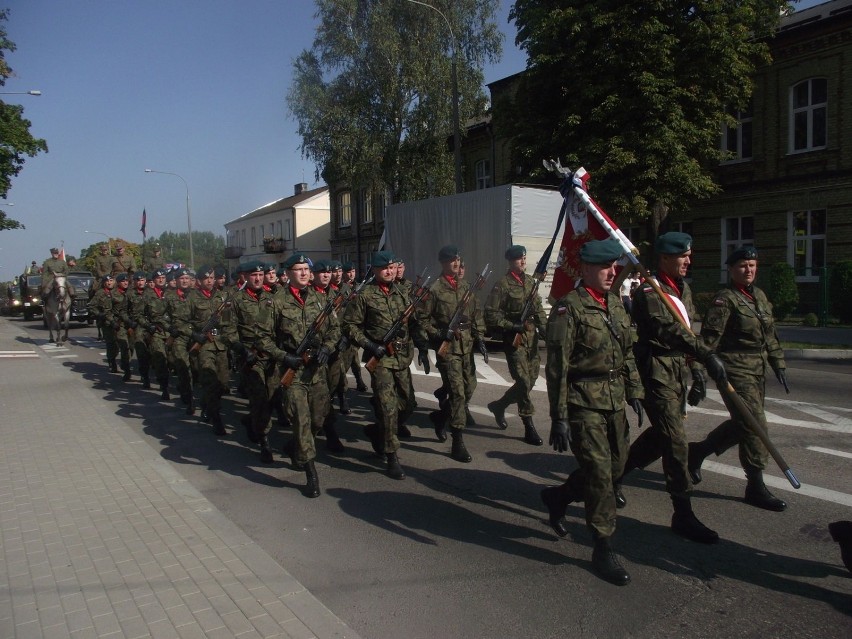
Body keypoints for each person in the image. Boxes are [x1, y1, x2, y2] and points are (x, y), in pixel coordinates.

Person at [542, 239, 643, 585]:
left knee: (615, 468)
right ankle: (603, 546)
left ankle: (558, 497)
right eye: (604, 267)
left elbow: (626, 350)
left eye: (613, 266)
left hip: (613, 400)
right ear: (585, 270)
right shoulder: (568, 309)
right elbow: (557, 367)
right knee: (600, 475)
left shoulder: (615, 305)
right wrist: (559, 417)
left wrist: (635, 392)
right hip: (584, 401)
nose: (611, 271)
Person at [616, 232, 727, 544]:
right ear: (664, 257)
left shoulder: (683, 289)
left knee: (661, 436)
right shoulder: (650, 292)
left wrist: (696, 370)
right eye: (682, 256)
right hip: (655, 372)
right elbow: (670, 331)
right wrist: (707, 355)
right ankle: (683, 511)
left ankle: (615, 476)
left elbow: (688, 331)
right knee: (676, 440)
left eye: (689, 255)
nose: (688, 261)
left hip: (677, 372)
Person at [688, 246, 789, 511]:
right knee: (755, 425)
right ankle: (755, 485)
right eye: (743, 266)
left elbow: (770, 334)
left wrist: (778, 362)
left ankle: (697, 452)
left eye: (753, 266)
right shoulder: (726, 300)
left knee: (744, 423)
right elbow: (708, 340)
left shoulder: (759, 297)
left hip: (757, 369)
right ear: (731, 269)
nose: (749, 270)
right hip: (734, 369)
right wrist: (699, 372)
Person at [343, 251, 428, 479]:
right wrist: (370, 345)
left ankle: (378, 432)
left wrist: (423, 347)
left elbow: (415, 322)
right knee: (388, 409)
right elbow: (350, 326)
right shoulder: (365, 295)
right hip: (380, 360)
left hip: (402, 358)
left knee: (408, 404)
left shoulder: (402, 292)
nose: (389, 271)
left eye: (392, 267)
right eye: (384, 268)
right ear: (375, 270)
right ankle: (391, 456)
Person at [273, 253, 341, 497]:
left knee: (317, 420)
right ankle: (311, 473)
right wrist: (283, 356)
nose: (303, 273)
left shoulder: (320, 300)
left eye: (306, 269)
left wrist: (327, 348)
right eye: (298, 269)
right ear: (288, 273)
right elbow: (263, 337)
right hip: (294, 371)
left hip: (317, 371)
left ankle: (295, 445)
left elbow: (335, 330)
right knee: (301, 421)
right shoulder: (276, 301)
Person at [420, 245, 487, 462]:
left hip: (465, 347)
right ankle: (457, 441)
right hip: (447, 348)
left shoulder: (466, 286)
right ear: (443, 263)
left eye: (457, 259)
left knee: (470, 386)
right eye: (451, 260)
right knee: (458, 393)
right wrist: (440, 332)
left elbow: (476, 313)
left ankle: (441, 416)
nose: (456, 263)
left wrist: (480, 338)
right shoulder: (435, 289)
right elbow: (422, 320)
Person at [484, 244, 547, 446]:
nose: (523, 261)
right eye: (519, 258)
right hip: (514, 341)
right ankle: (529, 425)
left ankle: (499, 405)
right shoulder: (502, 284)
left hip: (532, 340)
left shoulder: (530, 282)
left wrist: (546, 330)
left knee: (531, 380)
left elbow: (538, 310)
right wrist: (511, 325)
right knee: (523, 382)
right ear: (510, 261)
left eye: (524, 258)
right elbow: (491, 314)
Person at [225, 261, 280, 463]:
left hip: (271, 355)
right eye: (253, 275)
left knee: (274, 397)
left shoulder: (272, 299)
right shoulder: (235, 301)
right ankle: (264, 441)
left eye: (260, 274)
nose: (258, 278)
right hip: (251, 357)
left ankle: (252, 421)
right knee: (259, 399)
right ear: (245, 277)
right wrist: (241, 350)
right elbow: (227, 331)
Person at [188, 265, 233, 436]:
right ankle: (216, 420)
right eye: (206, 278)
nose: (210, 280)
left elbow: (228, 321)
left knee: (222, 383)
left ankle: (206, 403)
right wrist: (194, 334)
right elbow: (183, 321)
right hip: (204, 345)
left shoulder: (223, 296)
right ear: (199, 280)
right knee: (210, 382)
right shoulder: (192, 298)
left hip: (220, 344)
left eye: (212, 277)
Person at [166, 267, 196, 415]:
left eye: (187, 278)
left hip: (195, 336)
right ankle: (189, 398)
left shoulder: (196, 296)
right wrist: (169, 328)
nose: (184, 281)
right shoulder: (168, 297)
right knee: (184, 368)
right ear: (176, 281)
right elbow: (160, 316)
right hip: (179, 338)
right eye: (181, 279)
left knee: (197, 369)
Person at [139, 269, 172, 399]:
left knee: (173, 360)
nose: (161, 280)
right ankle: (164, 387)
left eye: (163, 277)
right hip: (157, 331)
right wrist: (148, 326)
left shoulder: (172, 294)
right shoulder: (147, 296)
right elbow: (139, 315)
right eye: (158, 278)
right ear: (153, 281)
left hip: (171, 332)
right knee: (160, 360)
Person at [88, 274, 119, 373]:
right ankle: (112, 361)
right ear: (104, 283)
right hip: (106, 323)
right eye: (107, 281)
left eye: (111, 281)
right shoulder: (100, 293)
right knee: (110, 344)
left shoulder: (118, 292)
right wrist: (99, 314)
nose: (109, 283)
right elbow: (92, 306)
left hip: (118, 321)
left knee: (121, 343)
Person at [125, 272, 151, 388]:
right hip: (138, 326)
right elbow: (123, 311)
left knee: (153, 352)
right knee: (141, 352)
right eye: (138, 280)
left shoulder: (150, 293)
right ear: (134, 282)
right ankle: (144, 376)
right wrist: (129, 322)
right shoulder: (129, 294)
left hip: (150, 325)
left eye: (142, 280)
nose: (140, 282)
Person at [112, 273, 133, 381]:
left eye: (127, 281)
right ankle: (127, 370)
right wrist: (112, 321)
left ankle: (126, 364)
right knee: (124, 348)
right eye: (123, 281)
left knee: (132, 348)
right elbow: (108, 309)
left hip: (131, 324)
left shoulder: (131, 293)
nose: (125, 283)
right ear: (118, 283)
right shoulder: (113, 294)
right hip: (120, 324)